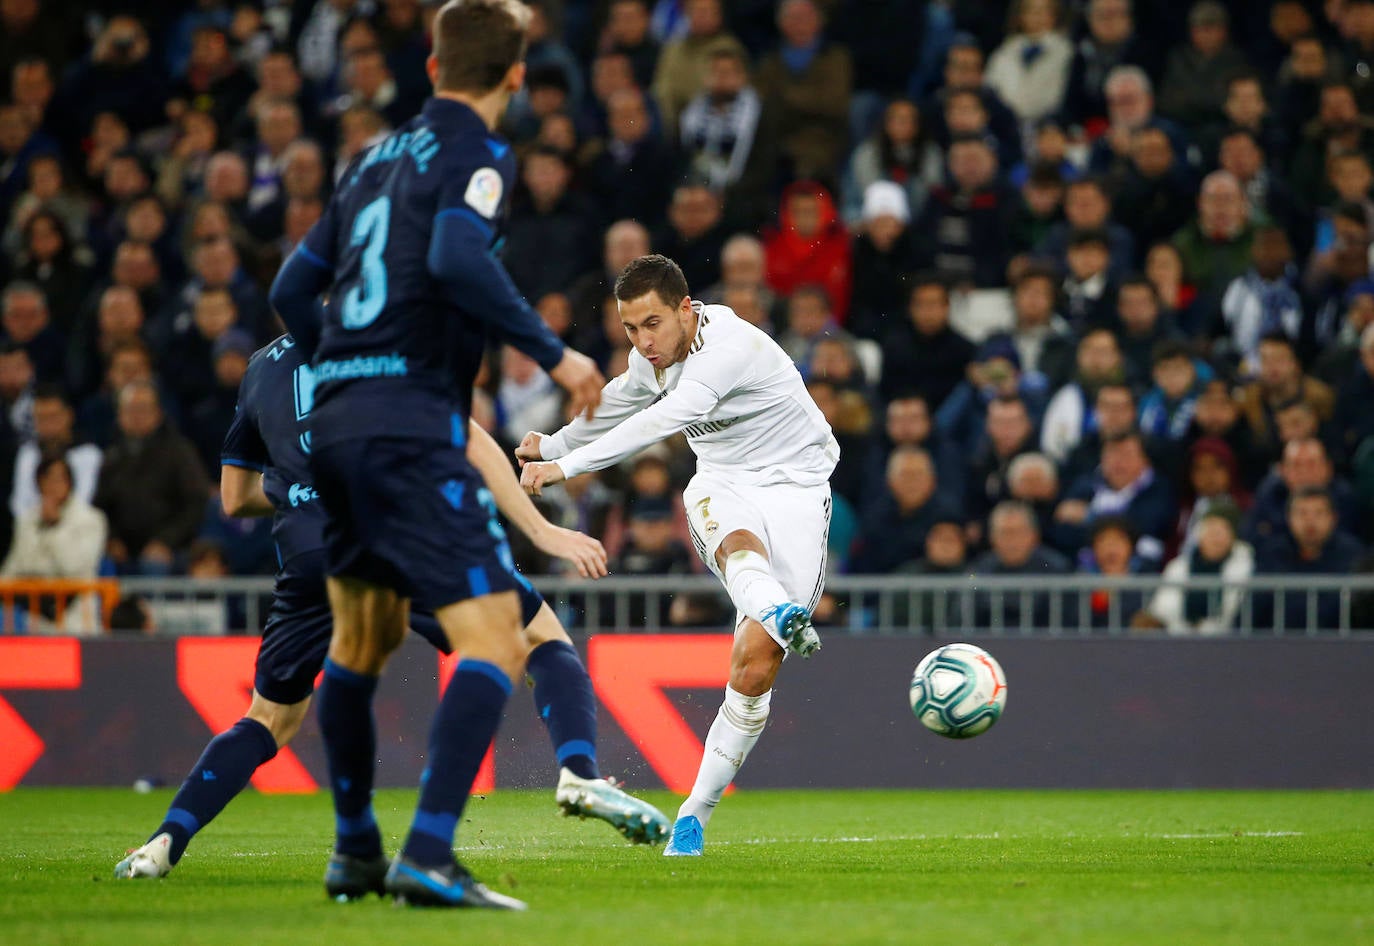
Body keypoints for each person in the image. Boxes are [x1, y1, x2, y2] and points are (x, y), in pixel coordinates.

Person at [266, 0, 608, 910]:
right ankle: (427, 854)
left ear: (429, 67)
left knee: (363, 638)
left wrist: (346, 367)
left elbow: (291, 288)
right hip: (408, 429)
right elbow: (457, 256)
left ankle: (354, 850)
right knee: (498, 636)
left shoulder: (371, 159)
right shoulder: (479, 155)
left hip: (337, 426)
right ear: (516, 77)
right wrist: (557, 354)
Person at [113, 333, 662, 882]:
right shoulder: (384, 337)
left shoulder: (261, 366)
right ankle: (576, 773)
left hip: (309, 552)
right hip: (396, 530)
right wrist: (540, 529)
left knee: (270, 717)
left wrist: (299, 487)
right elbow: (463, 435)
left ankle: (165, 841)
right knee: (536, 634)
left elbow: (235, 497)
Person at [518, 254, 837, 857]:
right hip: (723, 483)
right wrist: (555, 442)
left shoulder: (729, 348)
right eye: (630, 328)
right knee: (734, 541)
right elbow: (620, 399)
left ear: (686, 309)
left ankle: (695, 810)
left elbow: (661, 420)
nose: (643, 342)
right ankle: (775, 609)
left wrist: (566, 467)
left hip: (797, 490)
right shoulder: (652, 358)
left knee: (755, 669)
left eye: (653, 324)